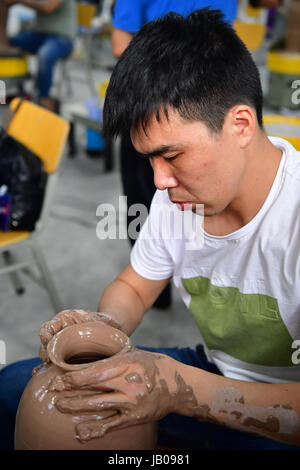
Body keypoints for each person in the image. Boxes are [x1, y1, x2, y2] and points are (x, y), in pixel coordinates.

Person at [1, 7, 300, 450]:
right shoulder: (174, 197)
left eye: (172, 156)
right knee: (12, 386)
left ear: (240, 124)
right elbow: (137, 288)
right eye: (149, 159)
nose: (158, 181)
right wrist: (104, 327)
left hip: (281, 407)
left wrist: (180, 390)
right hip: (214, 373)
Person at [111, 0, 238, 309]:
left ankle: (166, 285)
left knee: (149, 196)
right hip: (179, 103)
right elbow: (120, 44)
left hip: (175, 105)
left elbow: (120, 44)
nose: (163, 177)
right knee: (156, 198)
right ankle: (163, 280)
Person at [0, 0, 77, 111]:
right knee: (10, 42)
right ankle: (19, 85)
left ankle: (43, 97)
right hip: (40, 35)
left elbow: (48, 7)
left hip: (62, 38)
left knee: (44, 55)